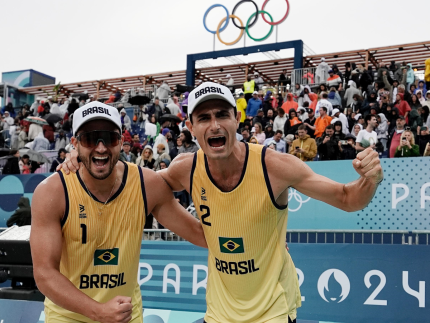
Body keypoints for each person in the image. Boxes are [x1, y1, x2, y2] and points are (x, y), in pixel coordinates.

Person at [60, 82, 383, 323]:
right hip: (220, 313)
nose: (214, 125)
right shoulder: (186, 169)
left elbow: (347, 199)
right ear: (191, 128)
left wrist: (370, 180)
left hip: (273, 310)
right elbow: (134, 182)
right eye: (203, 118)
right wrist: (83, 156)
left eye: (222, 115)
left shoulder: (275, 167)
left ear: (237, 120)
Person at [35, 102, 207, 323]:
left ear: (122, 142)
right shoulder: (53, 192)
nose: (100, 147)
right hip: (69, 316)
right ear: (75, 144)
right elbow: (44, 274)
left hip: (125, 314)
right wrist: (98, 311)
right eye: (90, 138)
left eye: (110, 138)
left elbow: (199, 233)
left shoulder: (147, 184)